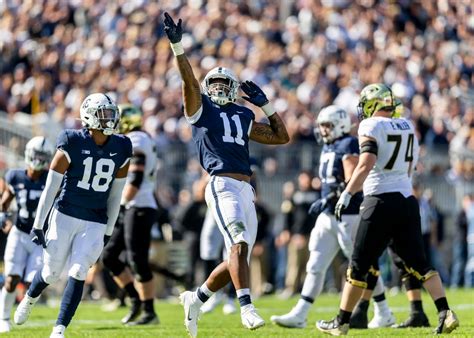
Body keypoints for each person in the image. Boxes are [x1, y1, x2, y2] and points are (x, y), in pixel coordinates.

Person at [164, 12, 289, 337]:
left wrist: (268, 107)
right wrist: (178, 47)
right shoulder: (199, 107)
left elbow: (281, 137)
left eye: (224, 84)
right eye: (214, 83)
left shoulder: (243, 113)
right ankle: (246, 306)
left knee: (241, 249)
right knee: (238, 245)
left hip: (246, 189)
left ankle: (197, 296)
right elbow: (189, 81)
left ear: (233, 88)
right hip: (221, 184)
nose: (218, 88)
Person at [316, 83, 459, 335]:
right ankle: (445, 312)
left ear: (372, 104)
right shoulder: (407, 124)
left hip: (379, 201)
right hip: (406, 199)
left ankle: (342, 321)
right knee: (419, 263)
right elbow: (410, 167)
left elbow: (366, 163)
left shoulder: (369, 125)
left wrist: (348, 193)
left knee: (358, 265)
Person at [13, 93, 132, 338]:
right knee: (50, 273)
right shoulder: (71, 140)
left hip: (95, 219)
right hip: (65, 213)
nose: (110, 118)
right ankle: (30, 297)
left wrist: (108, 229)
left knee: (79, 271)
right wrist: (39, 224)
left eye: (111, 113)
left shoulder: (122, 146)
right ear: (89, 116)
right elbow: (51, 187)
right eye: (104, 113)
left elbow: (115, 194)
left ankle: (59, 329)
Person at [271, 105, 394, 329]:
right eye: (322, 126)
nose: (324, 130)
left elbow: (352, 180)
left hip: (348, 214)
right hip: (329, 215)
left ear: (340, 125)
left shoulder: (347, 143)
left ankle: (383, 310)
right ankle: (301, 312)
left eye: (327, 125)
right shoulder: (329, 146)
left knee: (360, 265)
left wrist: (331, 197)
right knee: (315, 263)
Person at [101, 104, 159, 325]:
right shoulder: (142, 137)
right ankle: (135, 299)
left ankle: (149, 311)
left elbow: (135, 177)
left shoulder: (136, 139)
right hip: (135, 204)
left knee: (137, 259)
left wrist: (121, 204)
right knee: (110, 256)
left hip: (139, 204)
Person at [0, 136, 54, 332]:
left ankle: (21, 312)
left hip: (40, 238)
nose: (39, 159)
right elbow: (5, 201)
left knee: (33, 281)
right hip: (20, 233)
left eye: (43, 156)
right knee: (12, 278)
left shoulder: (51, 178)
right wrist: (2, 215)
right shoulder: (15, 176)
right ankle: (3, 318)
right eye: (36, 154)